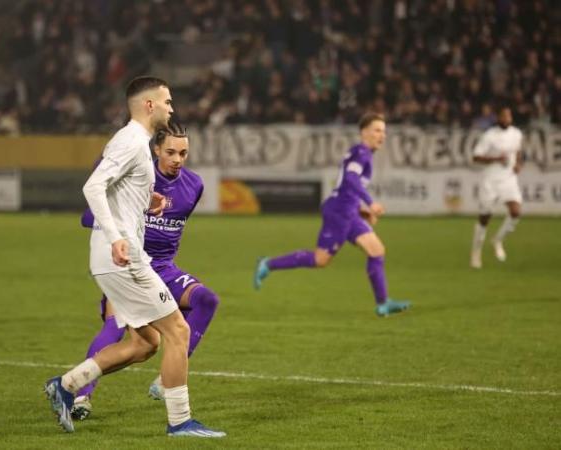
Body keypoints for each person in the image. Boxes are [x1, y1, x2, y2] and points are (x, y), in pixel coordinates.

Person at [43, 77, 225, 438]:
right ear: (149, 105)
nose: (171, 108)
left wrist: (148, 202)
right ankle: (180, 422)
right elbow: (92, 187)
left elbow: (119, 193)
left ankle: (66, 385)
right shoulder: (130, 141)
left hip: (120, 256)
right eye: (167, 101)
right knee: (178, 330)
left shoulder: (138, 144)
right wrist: (115, 238)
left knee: (145, 344)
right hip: (124, 256)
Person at [71, 121, 220, 420]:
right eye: (170, 152)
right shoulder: (136, 177)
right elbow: (89, 217)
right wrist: (131, 213)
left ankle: (166, 381)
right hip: (128, 266)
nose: (177, 159)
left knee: (206, 300)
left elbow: (172, 230)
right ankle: (80, 397)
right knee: (115, 329)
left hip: (163, 268)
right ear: (155, 150)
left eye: (183, 153)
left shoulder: (194, 185)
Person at [253, 112, 411, 317]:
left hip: (349, 211)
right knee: (320, 260)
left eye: (384, 131)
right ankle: (268, 264)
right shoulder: (362, 152)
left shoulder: (361, 153)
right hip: (339, 212)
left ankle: (383, 303)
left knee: (376, 250)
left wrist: (360, 209)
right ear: (364, 132)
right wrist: (371, 203)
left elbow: (346, 185)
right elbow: (351, 179)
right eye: (377, 130)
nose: (382, 135)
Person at [470, 105, 523, 269]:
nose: (506, 119)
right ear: (498, 118)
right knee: (485, 217)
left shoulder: (516, 134)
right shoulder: (489, 136)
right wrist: (495, 159)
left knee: (515, 212)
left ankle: (498, 240)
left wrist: (518, 164)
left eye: (509, 116)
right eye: (503, 116)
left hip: (508, 179)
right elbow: (476, 157)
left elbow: (517, 151)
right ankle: (476, 251)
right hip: (490, 180)